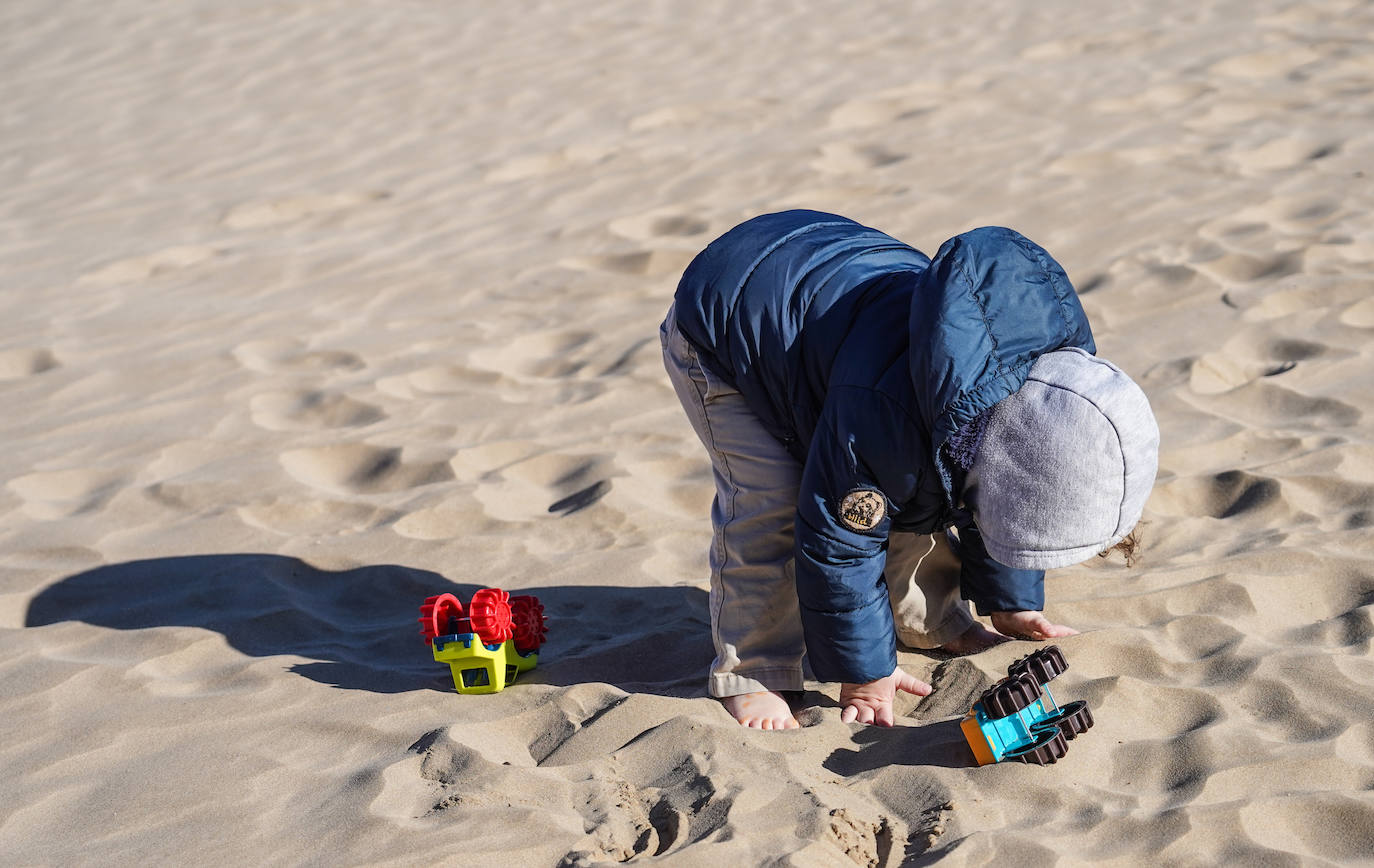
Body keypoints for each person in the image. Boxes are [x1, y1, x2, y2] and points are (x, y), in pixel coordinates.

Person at [659, 210, 1159, 730]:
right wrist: (866, 673)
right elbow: (839, 546)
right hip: (727, 319)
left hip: (831, 302)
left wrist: (1011, 603)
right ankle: (756, 670)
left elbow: (1002, 503)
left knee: (922, 492)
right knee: (779, 503)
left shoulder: (1030, 405)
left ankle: (932, 621)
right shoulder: (888, 417)